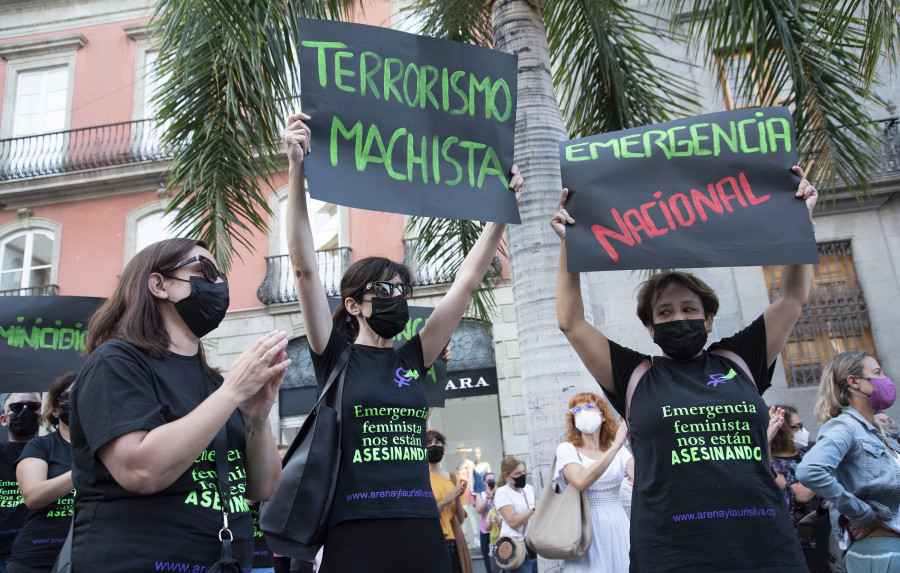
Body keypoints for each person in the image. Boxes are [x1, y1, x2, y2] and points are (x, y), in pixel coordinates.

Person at [282, 112, 522, 573]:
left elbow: (466, 284)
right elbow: (304, 269)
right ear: (354, 305)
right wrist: (296, 169)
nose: (397, 299)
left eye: (402, 291)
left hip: (419, 525)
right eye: (384, 290)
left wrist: (499, 214)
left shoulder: (413, 357)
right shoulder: (334, 355)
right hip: (354, 528)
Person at [551, 167, 818, 572]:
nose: (679, 318)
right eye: (665, 312)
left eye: (690, 309)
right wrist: (571, 245)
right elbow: (571, 322)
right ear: (650, 327)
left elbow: (793, 298)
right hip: (672, 552)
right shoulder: (635, 376)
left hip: (764, 546)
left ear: (709, 319)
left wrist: (799, 220)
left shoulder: (741, 358)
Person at [68, 238, 288, 572]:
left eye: (221, 276)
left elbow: (263, 488)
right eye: (205, 270)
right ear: (159, 285)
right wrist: (231, 393)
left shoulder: (213, 382)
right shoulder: (116, 361)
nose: (219, 285)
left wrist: (257, 419)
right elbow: (140, 470)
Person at [797, 352, 900, 572]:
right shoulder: (845, 426)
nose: (885, 379)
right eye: (877, 373)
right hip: (882, 551)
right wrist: (863, 515)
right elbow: (810, 470)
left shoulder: (879, 433)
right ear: (854, 382)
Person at [554, 393, 632, 572]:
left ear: (603, 415)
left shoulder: (617, 447)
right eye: (577, 410)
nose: (582, 412)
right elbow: (581, 481)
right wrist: (616, 447)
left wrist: (629, 440)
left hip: (618, 522)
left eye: (588, 407)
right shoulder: (567, 449)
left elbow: (642, 474)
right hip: (585, 527)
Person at [7, 373, 75, 573]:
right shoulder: (41, 446)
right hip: (37, 557)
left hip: (90, 555)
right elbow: (33, 496)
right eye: (69, 397)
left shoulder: (108, 448)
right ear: (54, 409)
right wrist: (82, 469)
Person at [771, 405, 820, 572]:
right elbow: (801, 494)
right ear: (781, 430)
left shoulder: (808, 455)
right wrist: (823, 474)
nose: (801, 431)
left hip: (826, 537)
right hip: (799, 543)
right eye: (796, 427)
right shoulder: (771, 464)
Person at [0, 393, 42, 572]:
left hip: (43, 550)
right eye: (17, 408)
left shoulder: (54, 450)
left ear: (41, 418)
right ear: (4, 419)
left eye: (32, 407)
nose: (25, 411)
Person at [428, 430, 469, 573]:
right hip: (433, 542)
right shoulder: (422, 480)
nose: (433, 446)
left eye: (437, 443)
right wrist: (446, 500)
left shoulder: (453, 478)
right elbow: (426, 516)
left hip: (454, 543)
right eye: (428, 443)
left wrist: (457, 497)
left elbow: (461, 519)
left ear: (443, 448)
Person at [493, 457, 535, 573]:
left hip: (534, 548)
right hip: (516, 550)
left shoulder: (529, 489)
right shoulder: (502, 492)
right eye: (517, 473)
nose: (522, 475)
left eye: (523, 472)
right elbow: (513, 522)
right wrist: (533, 509)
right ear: (506, 476)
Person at [475, 472, 499, 573]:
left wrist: (493, 495)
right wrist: (488, 497)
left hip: (498, 530)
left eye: (493, 479)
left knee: (500, 559)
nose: (491, 482)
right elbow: (479, 510)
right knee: (488, 562)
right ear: (484, 482)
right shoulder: (480, 495)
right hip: (485, 532)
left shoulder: (500, 493)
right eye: (489, 480)